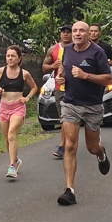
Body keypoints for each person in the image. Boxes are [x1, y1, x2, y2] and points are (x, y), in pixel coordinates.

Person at [55, 20, 112, 205]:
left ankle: (101, 154)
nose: (77, 33)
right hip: (71, 103)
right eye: (74, 31)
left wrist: (85, 75)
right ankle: (69, 190)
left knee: (91, 148)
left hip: (92, 106)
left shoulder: (98, 52)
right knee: (70, 146)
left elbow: (108, 79)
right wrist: (61, 75)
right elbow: (64, 66)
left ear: (89, 34)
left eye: (82, 31)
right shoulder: (68, 50)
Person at [0, 44, 38, 179]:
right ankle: (15, 160)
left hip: (18, 107)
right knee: (7, 138)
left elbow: (34, 87)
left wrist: (27, 97)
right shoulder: (0, 71)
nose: (10, 58)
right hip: (4, 107)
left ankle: (12, 166)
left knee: (12, 135)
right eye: (8, 56)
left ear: (19, 58)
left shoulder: (24, 73)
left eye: (13, 56)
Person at [42, 25, 73, 160]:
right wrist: (53, 66)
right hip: (60, 89)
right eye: (63, 32)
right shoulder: (53, 49)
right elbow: (44, 67)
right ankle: (63, 145)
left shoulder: (78, 48)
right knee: (64, 119)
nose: (65, 34)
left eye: (68, 32)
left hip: (76, 88)